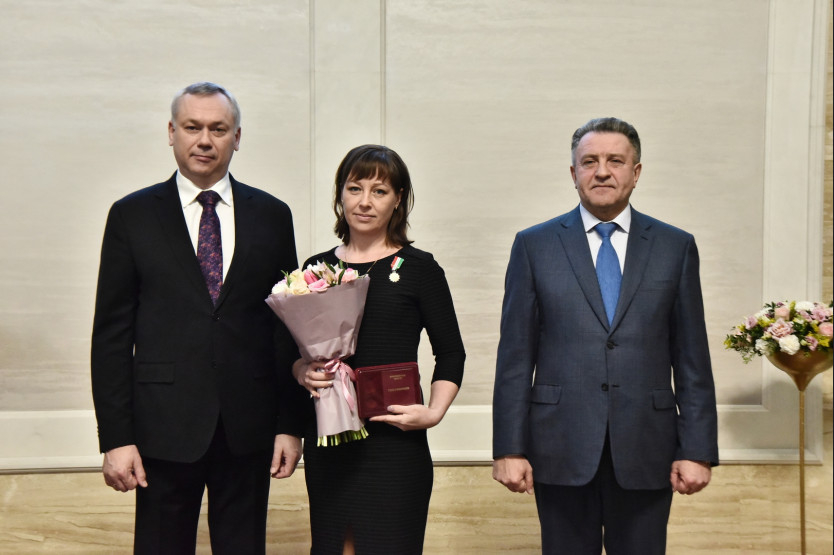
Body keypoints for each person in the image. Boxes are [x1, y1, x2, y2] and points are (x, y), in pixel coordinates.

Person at [90, 81, 308, 554]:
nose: (204, 140)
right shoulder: (131, 216)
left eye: (218, 129)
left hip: (249, 428)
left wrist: (290, 424)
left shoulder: (273, 215)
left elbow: (287, 329)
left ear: (237, 137)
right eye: (192, 127)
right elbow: (111, 337)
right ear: (172, 132)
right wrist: (117, 438)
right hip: (161, 429)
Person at [492, 117, 719, 554]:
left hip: (648, 448)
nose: (601, 171)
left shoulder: (675, 246)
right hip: (559, 446)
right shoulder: (534, 245)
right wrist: (508, 448)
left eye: (615, 161)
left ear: (636, 172)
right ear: (573, 172)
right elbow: (515, 359)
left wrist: (697, 449)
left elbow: (692, 358)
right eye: (589, 161)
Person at [292, 144, 465, 554]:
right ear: (340, 194)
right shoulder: (316, 270)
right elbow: (294, 355)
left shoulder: (421, 269)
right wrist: (302, 371)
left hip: (395, 444)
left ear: (398, 199)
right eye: (355, 188)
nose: (365, 202)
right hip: (331, 440)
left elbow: (451, 354)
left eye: (380, 191)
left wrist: (434, 412)